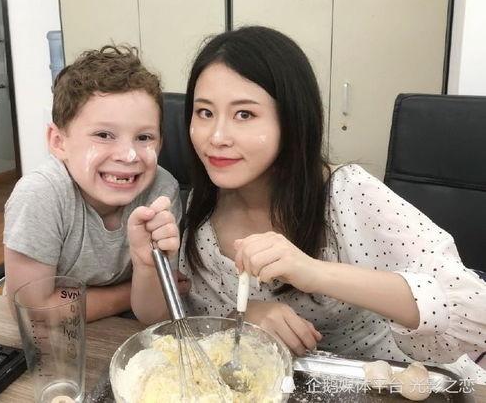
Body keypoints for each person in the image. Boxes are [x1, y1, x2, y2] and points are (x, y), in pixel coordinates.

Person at [130, 26, 486, 382]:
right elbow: (187, 323)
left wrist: (314, 272)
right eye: (205, 113)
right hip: (285, 384)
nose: (217, 137)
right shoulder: (204, 207)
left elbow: (470, 306)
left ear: (292, 119)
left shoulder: (346, 193)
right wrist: (243, 319)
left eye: (244, 115)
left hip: (394, 380)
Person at [4, 45, 186, 321]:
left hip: (123, 332)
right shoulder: (40, 196)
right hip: (53, 339)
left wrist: (147, 269)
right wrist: (127, 293)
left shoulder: (161, 191)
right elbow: (34, 312)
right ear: (58, 142)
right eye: (103, 135)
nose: (128, 155)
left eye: (144, 137)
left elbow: (154, 315)